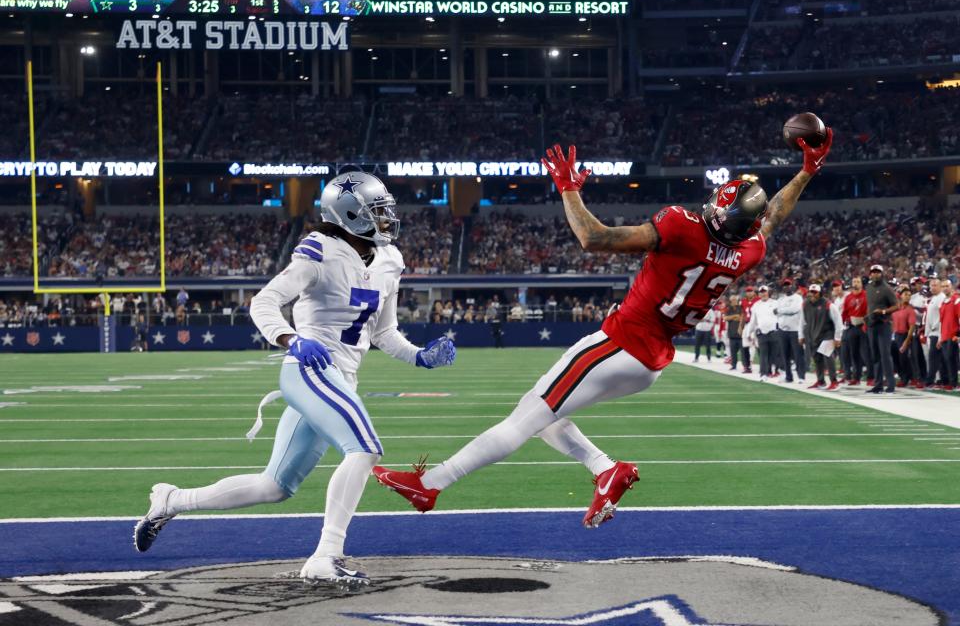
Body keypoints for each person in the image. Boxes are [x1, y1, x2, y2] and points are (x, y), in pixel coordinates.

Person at [373, 133, 833, 527]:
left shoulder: (683, 226)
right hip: (651, 358)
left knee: (524, 418)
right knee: (543, 417)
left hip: (622, 341)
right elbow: (773, 216)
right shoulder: (751, 248)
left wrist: (569, 189)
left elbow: (594, 238)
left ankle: (429, 486)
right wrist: (807, 170)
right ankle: (605, 469)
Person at [132, 172, 456, 587]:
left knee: (275, 486)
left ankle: (172, 500)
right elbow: (264, 301)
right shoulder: (321, 249)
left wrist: (421, 357)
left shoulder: (390, 260)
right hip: (309, 370)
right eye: (377, 211)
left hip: (341, 378)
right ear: (351, 214)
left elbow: (382, 333)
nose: (387, 219)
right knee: (364, 449)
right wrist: (290, 338)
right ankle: (326, 556)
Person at [799, 283, 842, 390]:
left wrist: (837, 337)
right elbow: (802, 321)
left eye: (815, 292)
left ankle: (834, 381)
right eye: (811, 292)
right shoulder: (805, 304)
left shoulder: (828, 304)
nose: (812, 294)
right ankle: (820, 380)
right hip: (813, 334)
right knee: (817, 358)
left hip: (827, 333)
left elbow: (838, 321)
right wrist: (800, 335)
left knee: (828, 357)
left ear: (820, 293)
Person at [865, 264, 898, 394]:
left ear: (882, 273)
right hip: (872, 325)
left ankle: (891, 385)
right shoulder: (868, 288)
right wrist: (866, 317)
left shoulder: (887, 289)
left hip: (884, 325)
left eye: (878, 272)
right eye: (873, 272)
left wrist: (884, 311)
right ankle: (878, 385)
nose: (875, 274)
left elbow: (897, 306)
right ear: (870, 274)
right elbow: (870, 305)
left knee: (885, 355)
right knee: (875, 356)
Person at [743, 285, 780, 380]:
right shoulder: (756, 305)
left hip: (774, 331)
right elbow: (753, 321)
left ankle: (775, 370)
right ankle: (764, 374)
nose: (763, 293)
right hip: (761, 332)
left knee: (774, 354)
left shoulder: (776, 303)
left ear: (768, 292)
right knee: (763, 354)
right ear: (759, 294)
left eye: (765, 291)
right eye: (761, 292)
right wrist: (748, 333)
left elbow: (781, 317)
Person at [776, 278, 805, 383]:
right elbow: (775, 312)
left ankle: (801, 376)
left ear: (792, 286)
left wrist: (780, 310)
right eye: (784, 285)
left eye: (788, 285)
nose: (786, 287)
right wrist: (781, 311)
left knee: (798, 355)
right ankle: (788, 376)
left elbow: (794, 310)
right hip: (783, 330)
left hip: (795, 330)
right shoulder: (780, 299)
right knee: (785, 355)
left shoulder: (798, 298)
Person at [841, 276, 868, 385]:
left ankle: (871, 377)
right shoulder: (848, 297)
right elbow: (845, 312)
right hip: (852, 326)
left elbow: (870, 309)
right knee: (854, 353)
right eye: (854, 281)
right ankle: (856, 378)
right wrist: (845, 321)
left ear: (862, 284)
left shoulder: (866, 295)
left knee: (866, 353)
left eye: (858, 281)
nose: (856, 283)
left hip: (864, 326)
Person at [892, 285, 918, 387]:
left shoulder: (910, 310)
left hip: (904, 335)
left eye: (909, 295)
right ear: (900, 296)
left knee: (904, 358)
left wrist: (906, 341)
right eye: (905, 294)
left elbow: (912, 327)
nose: (908, 296)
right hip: (895, 335)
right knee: (895, 358)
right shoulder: (896, 308)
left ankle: (907, 378)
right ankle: (903, 376)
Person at [937, 280, 958, 391]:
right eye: (943, 286)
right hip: (945, 335)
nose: (945, 288)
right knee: (946, 360)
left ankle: (954, 383)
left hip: (953, 334)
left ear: (951, 287)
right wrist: (940, 337)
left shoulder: (956, 300)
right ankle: (950, 381)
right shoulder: (943, 302)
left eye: (947, 286)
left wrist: (958, 335)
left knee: (951, 359)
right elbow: (942, 321)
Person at [924, 278, 945, 389]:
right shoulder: (933, 298)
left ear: (940, 286)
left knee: (933, 358)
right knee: (935, 358)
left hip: (937, 332)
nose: (932, 287)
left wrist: (937, 331)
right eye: (931, 285)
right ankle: (940, 380)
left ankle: (930, 381)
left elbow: (942, 316)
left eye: (935, 285)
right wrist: (927, 332)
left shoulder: (941, 298)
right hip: (932, 333)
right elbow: (928, 317)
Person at [725, 294, 746, 371]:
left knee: (743, 352)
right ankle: (733, 365)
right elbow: (725, 318)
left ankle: (745, 366)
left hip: (741, 334)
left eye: (735, 300)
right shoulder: (729, 309)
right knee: (733, 352)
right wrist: (735, 316)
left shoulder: (741, 308)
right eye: (732, 300)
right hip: (732, 333)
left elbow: (742, 318)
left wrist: (735, 317)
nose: (734, 301)